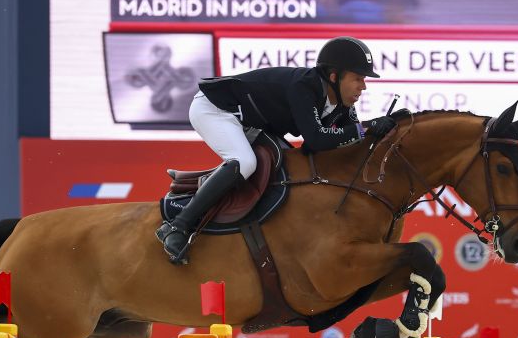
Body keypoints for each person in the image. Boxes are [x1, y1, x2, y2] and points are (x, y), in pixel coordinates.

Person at [155, 36, 397, 264]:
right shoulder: (305, 86)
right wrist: (367, 127)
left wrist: (385, 128)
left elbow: (344, 140)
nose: (363, 86)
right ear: (334, 76)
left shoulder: (342, 104)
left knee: (290, 168)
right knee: (245, 162)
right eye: (358, 78)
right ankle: (178, 225)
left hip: (250, 122)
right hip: (215, 110)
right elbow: (317, 140)